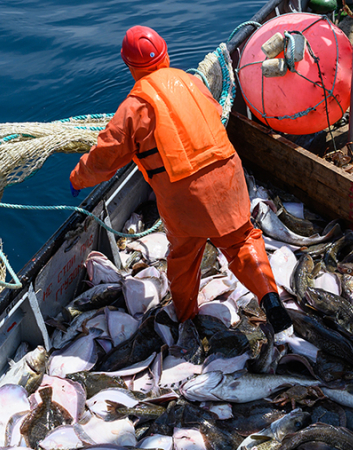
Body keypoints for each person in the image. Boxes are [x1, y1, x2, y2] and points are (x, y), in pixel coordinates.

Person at [69, 25, 292, 333]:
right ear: (166, 54)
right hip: (229, 176)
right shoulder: (192, 83)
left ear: (129, 66)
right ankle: (270, 298)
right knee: (242, 240)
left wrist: (78, 178)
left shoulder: (134, 106)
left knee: (184, 258)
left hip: (186, 197)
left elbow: (104, 158)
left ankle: (187, 318)